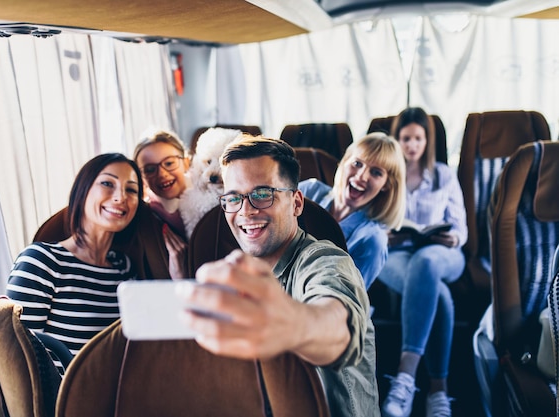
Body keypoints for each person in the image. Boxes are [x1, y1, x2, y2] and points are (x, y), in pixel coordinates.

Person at [176, 135, 379, 416]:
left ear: (296, 203)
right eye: (234, 197)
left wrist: (291, 325)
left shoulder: (325, 261)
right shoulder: (237, 276)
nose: (245, 211)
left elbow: (338, 325)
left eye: (262, 194)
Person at [6, 153, 141, 358]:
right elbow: (14, 357)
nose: (120, 197)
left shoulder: (125, 268)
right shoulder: (41, 261)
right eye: (107, 183)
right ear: (83, 191)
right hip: (60, 390)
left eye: (131, 189)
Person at [378, 108, 467, 417]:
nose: (412, 145)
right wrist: (385, 234)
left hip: (443, 254)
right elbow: (375, 224)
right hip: (397, 254)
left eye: (418, 138)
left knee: (428, 261)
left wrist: (451, 237)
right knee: (438, 295)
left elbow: (460, 228)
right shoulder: (385, 174)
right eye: (406, 139)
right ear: (396, 140)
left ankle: (405, 375)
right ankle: (438, 392)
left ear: (427, 141)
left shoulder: (443, 174)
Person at [299, 132, 406, 288]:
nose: (362, 176)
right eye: (357, 164)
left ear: (386, 185)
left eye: (376, 172)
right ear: (344, 162)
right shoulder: (309, 191)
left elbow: (346, 300)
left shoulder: (372, 241)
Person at [133, 128, 190, 279]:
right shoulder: (145, 215)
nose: (162, 174)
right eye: (150, 169)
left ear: (186, 163)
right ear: (141, 178)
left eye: (169, 163)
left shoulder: (214, 197)